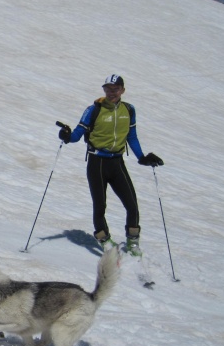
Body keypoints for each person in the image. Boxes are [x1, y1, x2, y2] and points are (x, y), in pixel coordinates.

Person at [57, 74, 163, 255]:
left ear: (122, 90)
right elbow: (77, 134)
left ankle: (133, 242)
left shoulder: (129, 110)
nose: (112, 92)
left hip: (117, 162)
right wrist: (67, 136)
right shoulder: (93, 110)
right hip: (96, 162)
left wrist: (142, 157)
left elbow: (132, 136)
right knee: (100, 206)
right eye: (108, 89)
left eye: (115, 89)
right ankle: (104, 240)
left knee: (132, 204)